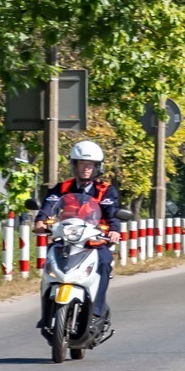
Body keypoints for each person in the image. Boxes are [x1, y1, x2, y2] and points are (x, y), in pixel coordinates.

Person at [36, 139, 125, 324]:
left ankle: (96, 313)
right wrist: (40, 221)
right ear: (74, 166)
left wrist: (114, 230)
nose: (86, 168)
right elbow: (49, 205)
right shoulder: (62, 188)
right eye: (82, 164)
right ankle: (47, 312)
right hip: (66, 240)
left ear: (97, 168)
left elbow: (112, 213)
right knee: (49, 261)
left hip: (94, 242)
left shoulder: (105, 190)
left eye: (90, 165)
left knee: (105, 261)